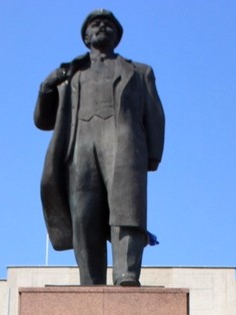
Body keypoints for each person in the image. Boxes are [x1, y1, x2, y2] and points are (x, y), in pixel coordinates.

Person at [34, 9, 165, 287]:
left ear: (117, 36)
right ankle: (90, 282)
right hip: (79, 147)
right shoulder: (69, 75)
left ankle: (126, 274)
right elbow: (43, 122)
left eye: (108, 24)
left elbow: (155, 114)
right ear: (85, 36)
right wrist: (46, 86)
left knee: (127, 211)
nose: (102, 27)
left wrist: (153, 155)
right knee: (84, 216)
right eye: (95, 24)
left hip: (124, 147)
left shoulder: (139, 72)